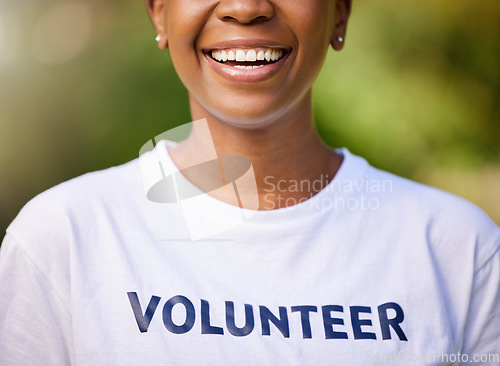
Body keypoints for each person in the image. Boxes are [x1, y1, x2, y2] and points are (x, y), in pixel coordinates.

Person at [0, 0, 499, 365]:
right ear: (158, 13)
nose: (245, 8)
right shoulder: (64, 237)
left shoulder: (460, 251)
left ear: (339, 14)